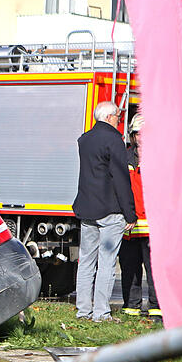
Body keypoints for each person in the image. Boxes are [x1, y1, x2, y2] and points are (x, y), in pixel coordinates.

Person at [72, 101, 138, 322]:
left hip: (87, 209)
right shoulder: (114, 140)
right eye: (118, 117)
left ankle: (83, 311)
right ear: (110, 117)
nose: (119, 120)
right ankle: (101, 313)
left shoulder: (84, 140)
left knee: (86, 263)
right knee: (107, 263)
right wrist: (130, 213)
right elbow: (120, 179)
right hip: (110, 211)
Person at [118, 113, 161, 319]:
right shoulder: (125, 158)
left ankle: (156, 308)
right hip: (129, 224)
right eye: (138, 133)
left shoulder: (160, 159)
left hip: (153, 225)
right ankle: (131, 306)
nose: (141, 137)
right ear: (132, 136)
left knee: (154, 270)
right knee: (129, 267)